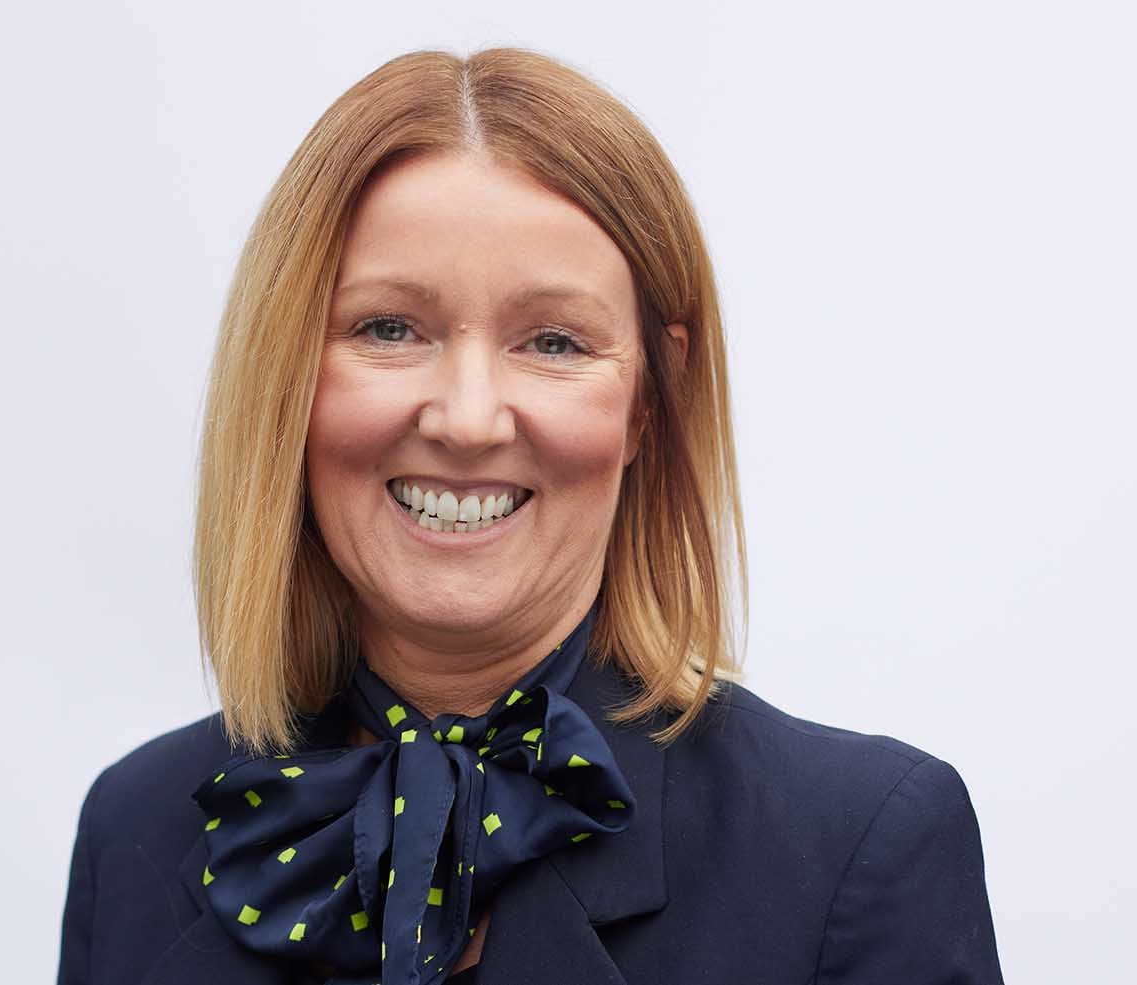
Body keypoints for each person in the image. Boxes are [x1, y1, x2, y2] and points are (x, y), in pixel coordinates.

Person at [55, 46, 1004, 985]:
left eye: (552, 341)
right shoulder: (134, 830)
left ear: (646, 399)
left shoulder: (859, 845)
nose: (467, 420)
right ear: (287, 377)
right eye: (389, 328)